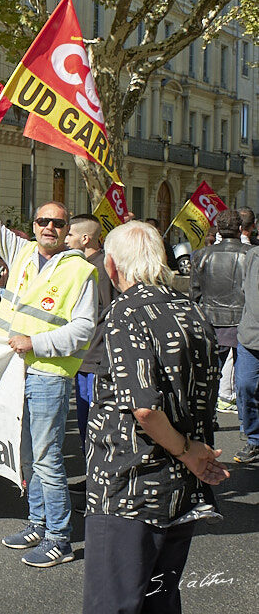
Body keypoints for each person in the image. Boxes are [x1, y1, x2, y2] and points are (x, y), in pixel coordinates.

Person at [83, 220, 229, 614]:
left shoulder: (125, 311)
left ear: (111, 266)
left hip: (129, 484)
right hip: (180, 488)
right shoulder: (193, 311)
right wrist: (191, 454)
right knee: (160, 599)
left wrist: (184, 450)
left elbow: (144, 408)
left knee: (115, 602)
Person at [0, 144, 97, 568]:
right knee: (26, 456)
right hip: (13, 373)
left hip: (48, 375)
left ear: (67, 231)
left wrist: (36, 343)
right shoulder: (21, 251)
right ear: (34, 225)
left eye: (57, 223)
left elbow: (84, 328)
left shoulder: (81, 270)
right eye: (42, 221)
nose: (48, 228)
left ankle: (59, 536)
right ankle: (38, 522)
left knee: (48, 458)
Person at [189, 209, 249, 414]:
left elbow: (194, 293)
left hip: (211, 320)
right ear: (240, 229)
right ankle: (246, 422)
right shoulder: (250, 255)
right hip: (245, 321)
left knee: (210, 373)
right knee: (245, 375)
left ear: (219, 230)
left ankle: (209, 414)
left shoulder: (201, 255)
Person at [65, 214, 115, 450]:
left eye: (70, 234)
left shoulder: (102, 268)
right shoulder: (77, 265)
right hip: (82, 356)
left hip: (96, 356)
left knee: (96, 420)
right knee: (84, 419)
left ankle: (99, 474)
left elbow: (108, 312)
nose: (65, 238)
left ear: (85, 238)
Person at [233, 238, 259, 464]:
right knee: (245, 385)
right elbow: (244, 289)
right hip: (251, 335)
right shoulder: (253, 256)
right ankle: (254, 438)